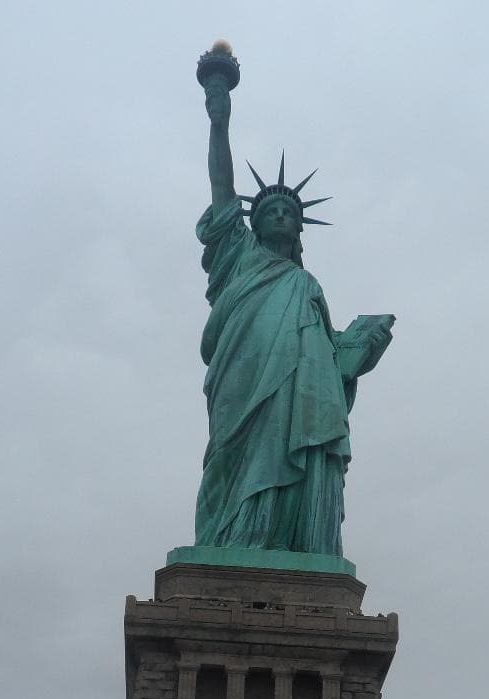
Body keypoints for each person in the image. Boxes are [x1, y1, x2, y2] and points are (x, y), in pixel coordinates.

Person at [192, 70, 394, 555]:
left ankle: (283, 542)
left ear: (300, 229)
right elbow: (222, 183)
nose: (281, 214)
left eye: (290, 212)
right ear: (253, 223)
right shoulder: (236, 258)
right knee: (229, 459)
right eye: (269, 210)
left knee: (290, 450)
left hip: (298, 391)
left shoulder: (305, 284)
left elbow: (328, 356)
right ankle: (228, 541)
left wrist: (358, 349)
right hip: (241, 380)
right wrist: (219, 115)